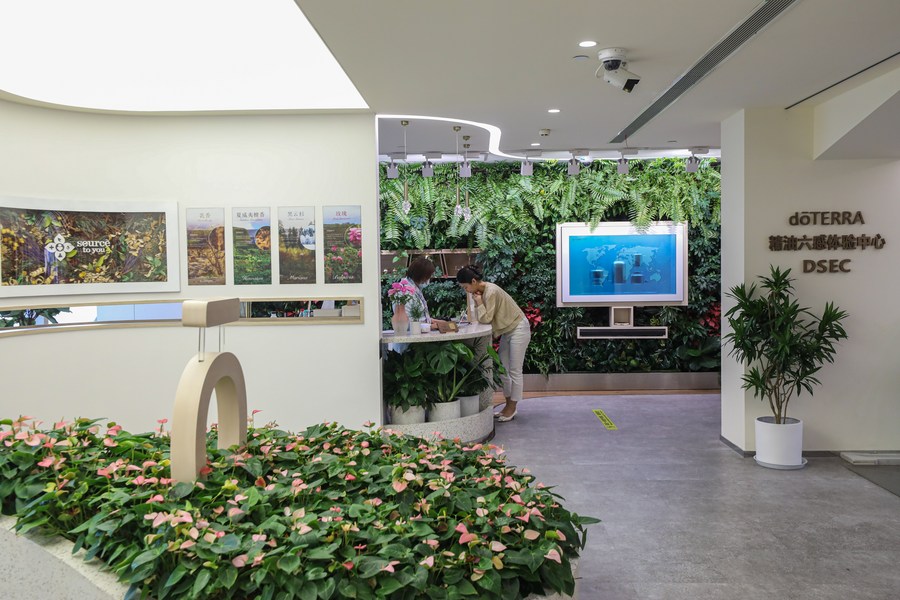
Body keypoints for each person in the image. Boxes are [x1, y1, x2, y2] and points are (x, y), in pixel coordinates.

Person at [456, 264, 531, 422]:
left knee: (515, 370)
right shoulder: (481, 292)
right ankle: (508, 405)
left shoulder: (491, 292)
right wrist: (478, 302)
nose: (466, 291)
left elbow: (486, 318)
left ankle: (512, 407)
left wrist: (478, 303)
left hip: (518, 328)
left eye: (465, 287)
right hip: (507, 331)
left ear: (474, 281)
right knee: (503, 369)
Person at [394, 257, 447, 331]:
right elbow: (408, 324)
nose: (429, 280)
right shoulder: (404, 292)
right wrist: (431, 326)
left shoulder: (415, 289)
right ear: (421, 275)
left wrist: (432, 321)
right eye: (428, 277)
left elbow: (419, 317)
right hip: (409, 340)